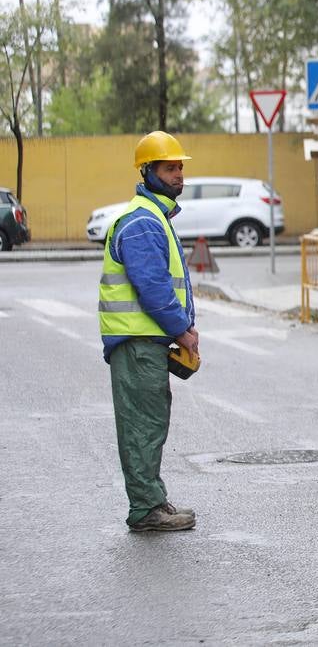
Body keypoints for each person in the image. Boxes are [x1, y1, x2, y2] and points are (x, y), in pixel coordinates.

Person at [99, 131, 200, 533]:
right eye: (169, 168)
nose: (178, 175)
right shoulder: (142, 221)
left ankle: (151, 499)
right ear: (147, 172)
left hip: (145, 342)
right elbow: (153, 286)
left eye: (180, 168)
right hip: (138, 342)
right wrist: (182, 330)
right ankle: (145, 509)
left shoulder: (153, 216)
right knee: (143, 423)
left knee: (150, 420)